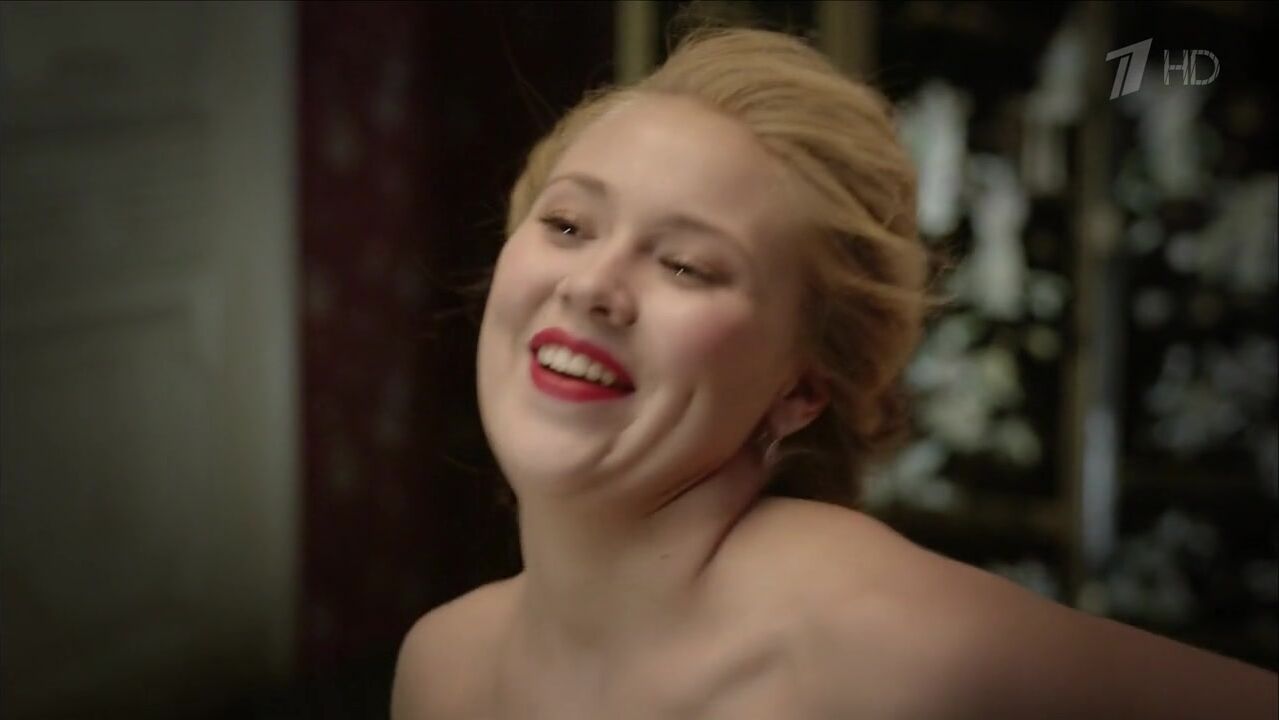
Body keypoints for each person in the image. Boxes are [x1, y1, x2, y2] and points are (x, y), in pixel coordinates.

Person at [392, 23, 1278, 720]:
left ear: (801, 389)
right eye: (566, 225)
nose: (592, 286)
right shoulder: (444, 666)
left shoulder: (884, 640)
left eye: (687, 266)